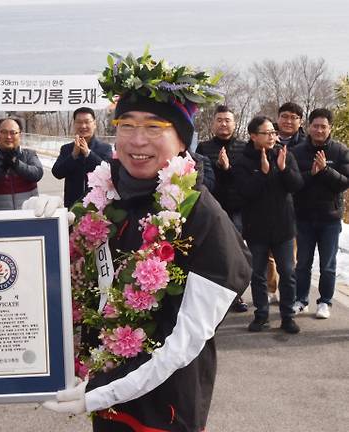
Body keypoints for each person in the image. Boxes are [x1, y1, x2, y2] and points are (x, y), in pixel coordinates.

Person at [41, 52, 251, 432]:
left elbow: (183, 344)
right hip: (105, 398)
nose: (137, 140)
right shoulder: (105, 198)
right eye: (126, 125)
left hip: (164, 410)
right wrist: (39, 227)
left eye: (155, 128)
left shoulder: (204, 218)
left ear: (182, 141)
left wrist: (100, 392)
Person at [234, 116, 303, 333]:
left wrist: (283, 169)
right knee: (258, 275)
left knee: (288, 273)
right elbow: (245, 193)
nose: (272, 137)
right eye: (267, 133)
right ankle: (261, 315)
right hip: (257, 229)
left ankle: (287, 316)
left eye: (273, 132)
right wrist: (262, 175)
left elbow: (297, 185)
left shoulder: (285, 155)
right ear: (253, 136)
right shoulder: (243, 161)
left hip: (283, 227)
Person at [291, 108, 349, 319]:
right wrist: (311, 173)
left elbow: (344, 183)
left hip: (329, 219)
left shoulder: (340, 151)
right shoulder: (297, 151)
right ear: (308, 127)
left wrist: (326, 170)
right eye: (315, 125)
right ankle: (301, 300)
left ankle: (325, 301)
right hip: (304, 217)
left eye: (323, 126)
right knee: (303, 263)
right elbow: (293, 183)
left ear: (330, 128)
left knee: (328, 265)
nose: (319, 130)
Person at [196, 105, 249, 311]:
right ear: (213, 123)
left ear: (235, 124)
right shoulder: (203, 148)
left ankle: (236, 295)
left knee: (236, 253)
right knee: (214, 253)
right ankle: (214, 297)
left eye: (227, 120)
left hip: (238, 208)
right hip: (213, 208)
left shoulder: (245, 147)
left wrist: (227, 169)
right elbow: (203, 179)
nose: (223, 124)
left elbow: (245, 179)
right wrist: (218, 168)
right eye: (219, 120)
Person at [264, 102, 308, 302]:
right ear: (278, 117)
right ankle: (271, 288)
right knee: (269, 255)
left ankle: (286, 291)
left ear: (300, 121)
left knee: (290, 257)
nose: (289, 121)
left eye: (294, 117)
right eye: (285, 116)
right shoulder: (266, 138)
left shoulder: (306, 144)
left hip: (298, 206)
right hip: (269, 207)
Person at [51, 107, 112, 208]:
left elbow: (108, 174)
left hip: (98, 207)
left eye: (87, 122)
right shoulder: (66, 149)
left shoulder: (105, 148)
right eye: (79, 122)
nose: (83, 126)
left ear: (94, 124)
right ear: (74, 124)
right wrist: (73, 155)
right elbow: (57, 173)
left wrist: (88, 153)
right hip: (73, 206)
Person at [0, 117, 43, 210]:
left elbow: (37, 173)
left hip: (29, 213)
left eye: (13, 133)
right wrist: (3, 167)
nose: (8, 137)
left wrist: (16, 164)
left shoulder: (29, 154)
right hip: (1, 216)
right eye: (4, 132)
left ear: (20, 135)